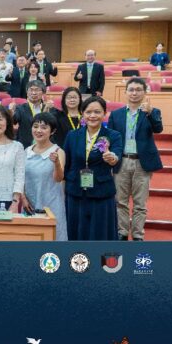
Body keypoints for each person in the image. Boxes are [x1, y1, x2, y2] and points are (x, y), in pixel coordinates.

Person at [108, 78, 163, 241]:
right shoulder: (116, 114)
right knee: (120, 201)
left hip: (141, 162)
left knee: (140, 203)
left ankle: (138, 235)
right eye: (131, 89)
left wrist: (150, 113)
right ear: (125, 92)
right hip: (122, 161)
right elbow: (111, 138)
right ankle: (122, 232)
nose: (134, 93)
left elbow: (158, 129)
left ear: (144, 92)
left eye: (138, 89)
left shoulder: (152, 111)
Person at [64, 96, 122, 240]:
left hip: (101, 193)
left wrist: (112, 158)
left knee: (100, 233)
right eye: (88, 112)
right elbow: (67, 164)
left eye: (97, 112)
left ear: (104, 113)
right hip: (76, 192)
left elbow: (116, 157)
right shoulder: (72, 135)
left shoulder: (113, 135)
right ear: (82, 113)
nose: (92, 116)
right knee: (76, 233)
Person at [22, 112, 68, 241]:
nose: (38, 130)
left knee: (53, 239)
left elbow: (58, 178)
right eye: (35, 126)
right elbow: (20, 179)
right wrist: (23, 199)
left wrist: (56, 163)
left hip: (51, 204)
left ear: (52, 131)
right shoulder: (26, 151)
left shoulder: (58, 151)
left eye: (44, 127)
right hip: (29, 204)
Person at [11, 80, 47, 148]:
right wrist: (11, 113)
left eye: (37, 90)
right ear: (27, 93)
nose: (34, 93)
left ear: (43, 93)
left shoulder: (48, 108)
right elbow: (14, 120)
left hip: (44, 146)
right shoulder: (20, 108)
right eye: (31, 90)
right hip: (25, 146)